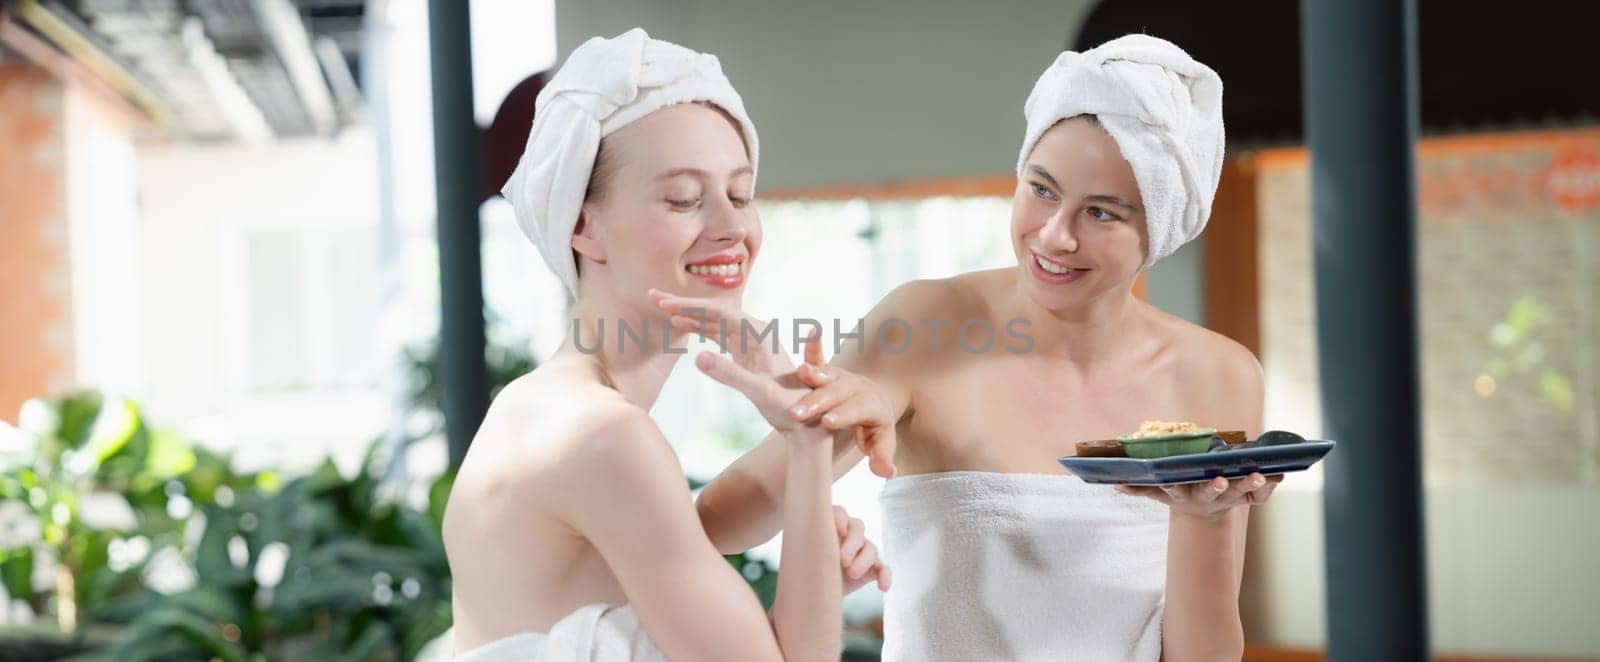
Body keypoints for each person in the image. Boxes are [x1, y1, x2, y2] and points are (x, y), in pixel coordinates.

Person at [678, 34, 1283, 660]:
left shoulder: (1218, 375)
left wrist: (1204, 519)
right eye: (1041, 189)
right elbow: (723, 522)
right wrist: (808, 428)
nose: (1054, 236)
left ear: (1159, 227)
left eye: (1101, 213)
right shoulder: (927, 323)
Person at [443, 28, 887, 661]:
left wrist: (815, 547)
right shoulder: (603, 436)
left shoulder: (539, 406)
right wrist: (809, 447)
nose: (732, 227)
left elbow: (707, 525)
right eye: (683, 199)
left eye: (740, 193)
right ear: (580, 225)